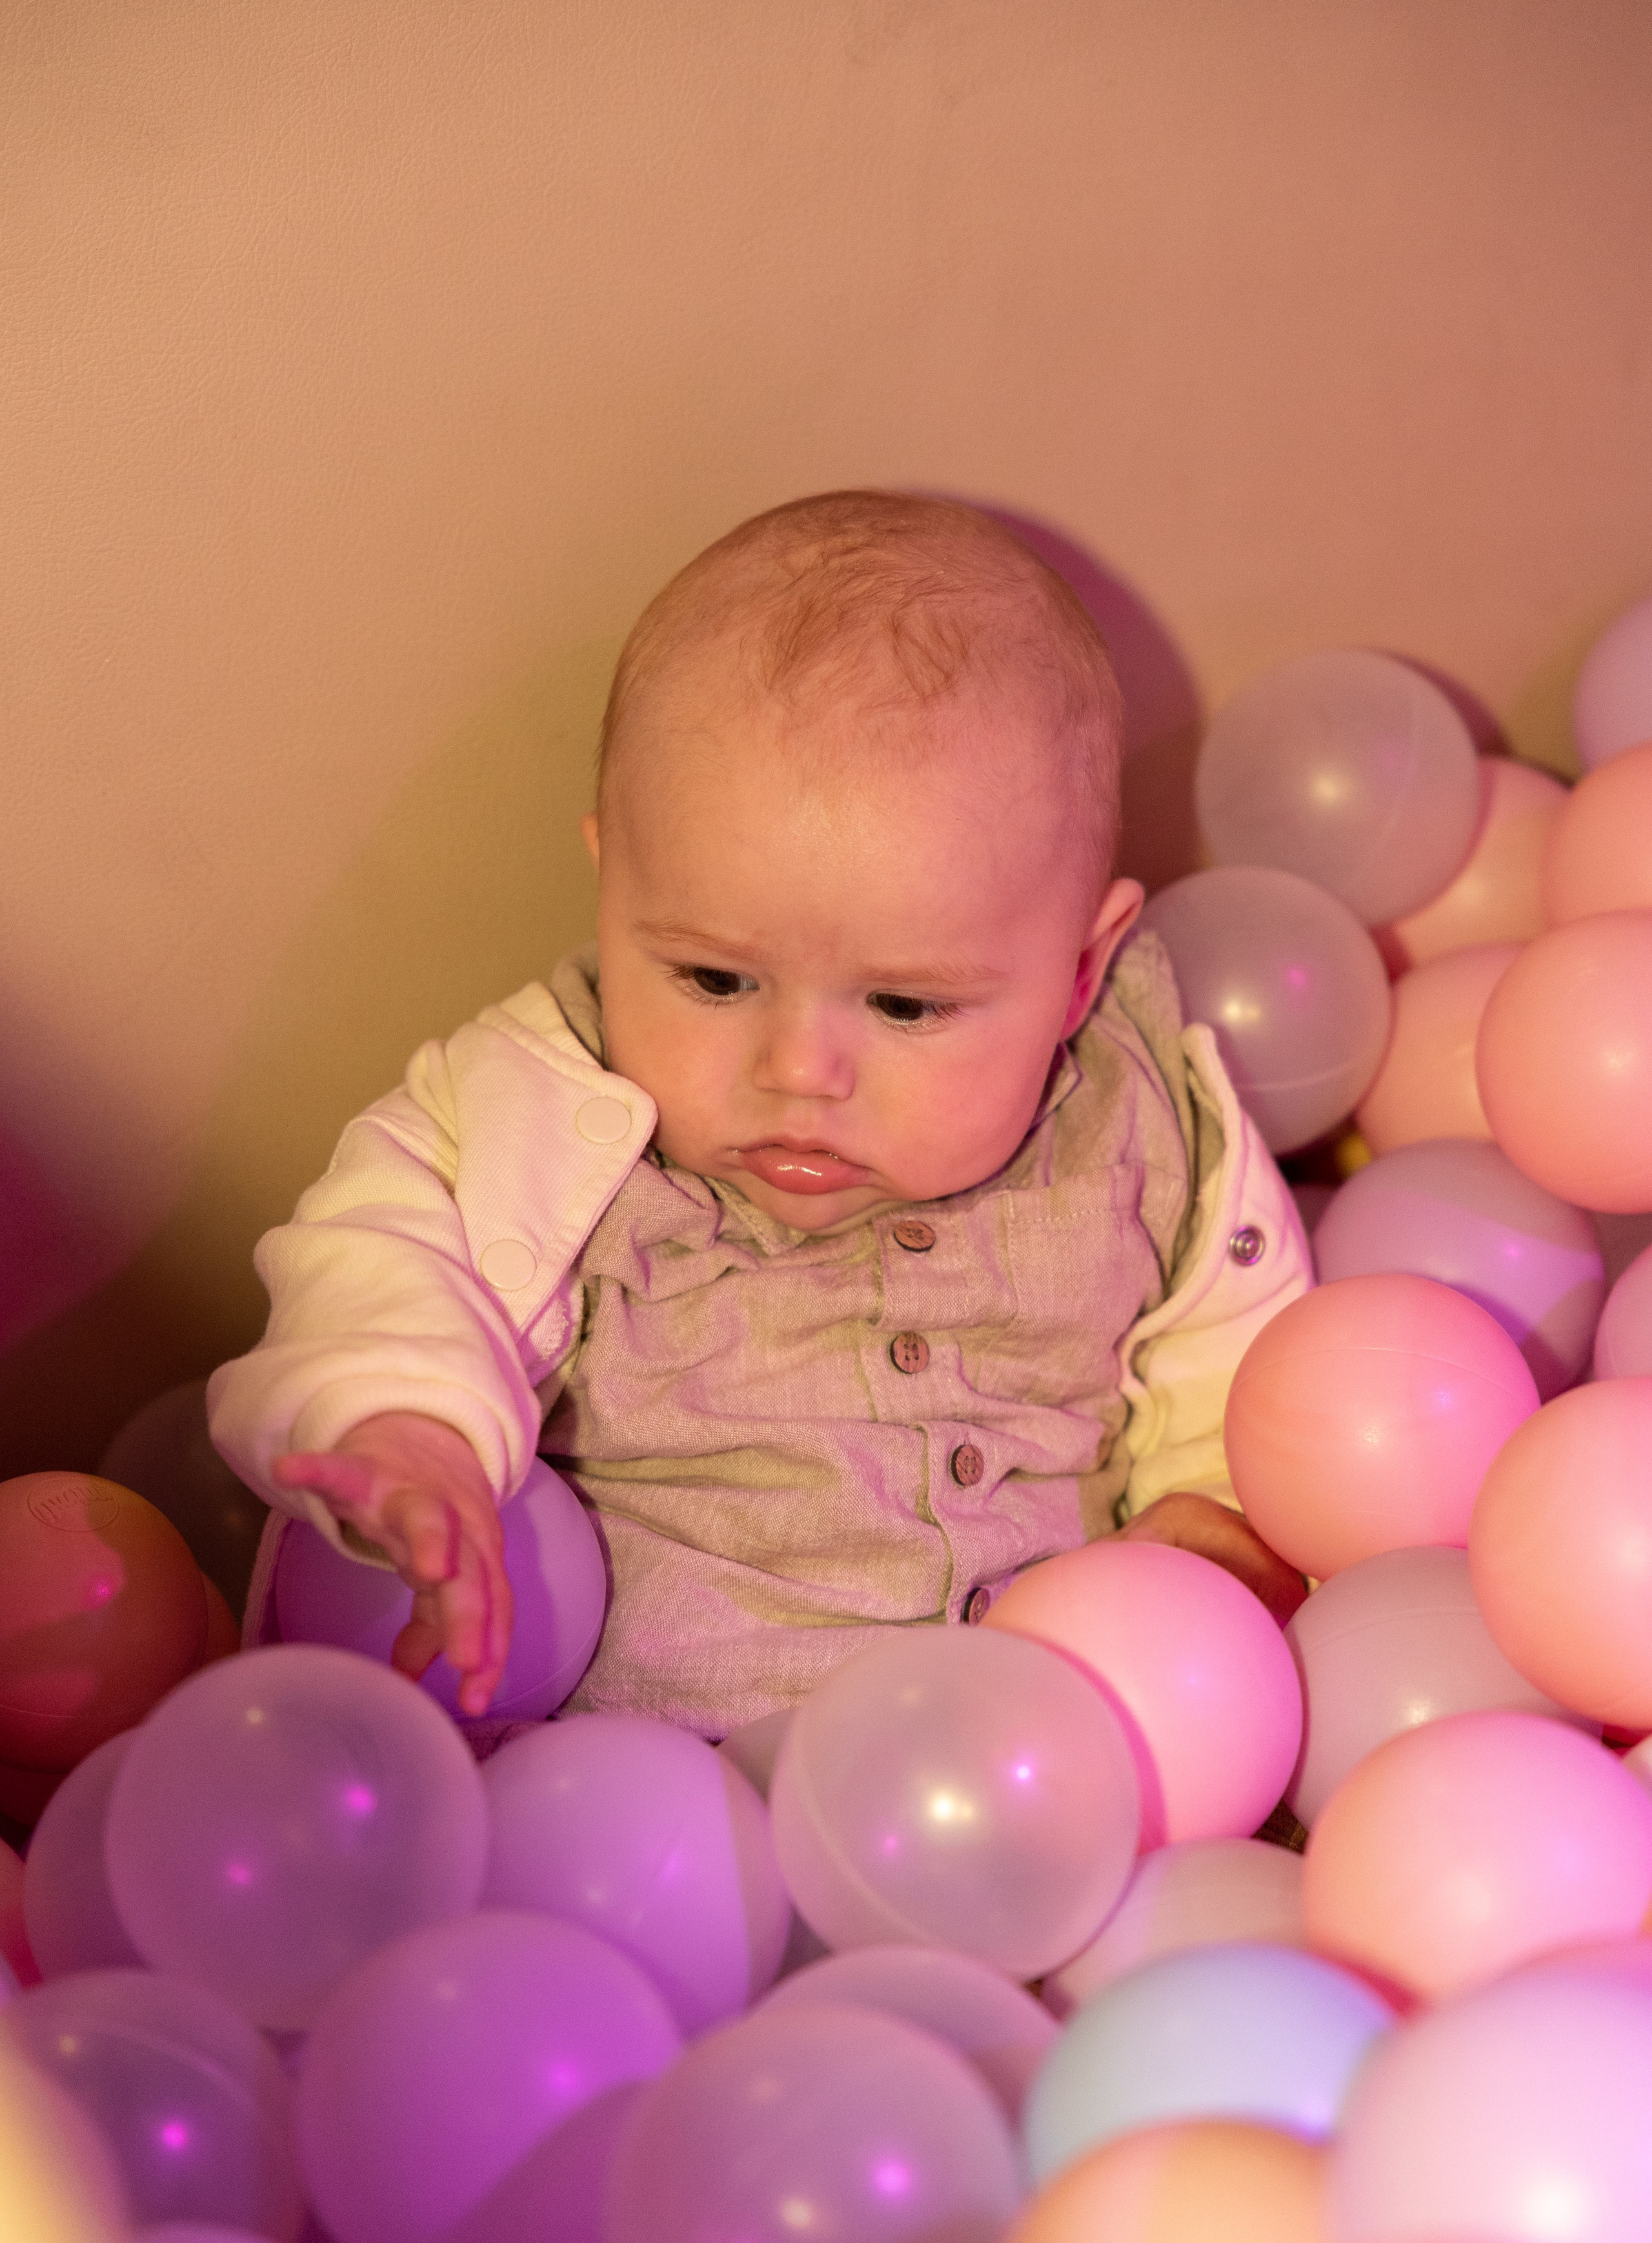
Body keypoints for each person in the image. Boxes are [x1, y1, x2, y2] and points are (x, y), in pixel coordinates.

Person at [208, 491, 1311, 1731]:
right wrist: (408, 1433)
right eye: (716, 980)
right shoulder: (533, 1108)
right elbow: (374, 1264)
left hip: (1040, 1776)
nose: (799, 1072)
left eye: (903, 1005)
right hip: (657, 1805)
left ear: (1078, 974)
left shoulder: (1149, 1120)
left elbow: (1252, 1370)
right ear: (612, 884)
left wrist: (1210, 1527)